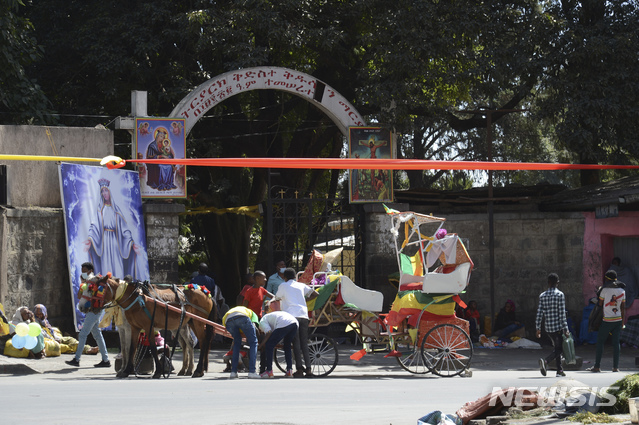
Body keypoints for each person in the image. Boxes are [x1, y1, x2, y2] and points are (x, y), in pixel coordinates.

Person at [83, 178, 143, 280]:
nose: (104, 193)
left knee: (117, 266)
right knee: (106, 268)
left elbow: (125, 229)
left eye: (106, 190)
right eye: (102, 191)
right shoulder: (99, 210)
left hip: (116, 242)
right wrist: (90, 239)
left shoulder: (116, 210)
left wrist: (131, 243)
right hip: (104, 243)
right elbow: (94, 226)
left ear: (110, 192)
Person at [275, 268, 319, 378]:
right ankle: (308, 369)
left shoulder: (283, 286)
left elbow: (277, 298)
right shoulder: (301, 285)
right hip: (303, 315)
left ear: (284, 277)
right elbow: (315, 293)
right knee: (304, 343)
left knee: (296, 343)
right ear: (295, 277)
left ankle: (299, 369)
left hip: (291, 317)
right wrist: (304, 301)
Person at [65, 262, 111, 368]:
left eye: (85, 271)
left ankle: (77, 359)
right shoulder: (88, 281)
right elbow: (80, 295)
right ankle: (106, 360)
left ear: (90, 271)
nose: (83, 273)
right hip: (94, 310)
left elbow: (84, 294)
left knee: (83, 334)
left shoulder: (93, 280)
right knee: (97, 335)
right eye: (82, 271)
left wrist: (85, 283)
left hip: (94, 311)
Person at [589, 270, 626, 373]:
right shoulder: (622, 291)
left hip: (607, 321)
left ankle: (597, 366)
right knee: (616, 343)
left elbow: (600, 305)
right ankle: (615, 367)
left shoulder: (604, 290)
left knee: (600, 342)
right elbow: (623, 308)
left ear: (607, 279)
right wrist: (622, 322)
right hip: (618, 320)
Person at [535, 273, 569, 377]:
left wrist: (538, 328)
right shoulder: (560, 295)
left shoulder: (542, 295)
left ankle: (559, 370)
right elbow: (562, 313)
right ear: (557, 283)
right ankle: (545, 361)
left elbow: (539, 313)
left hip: (548, 328)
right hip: (557, 327)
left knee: (557, 347)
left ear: (548, 283)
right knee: (560, 349)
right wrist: (566, 328)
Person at [33, 303, 99, 356]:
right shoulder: (35, 323)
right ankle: (87, 350)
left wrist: (56, 338)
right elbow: (43, 334)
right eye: (37, 314)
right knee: (67, 346)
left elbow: (50, 331)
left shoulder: (44, 321)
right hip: (47, 341)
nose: (39, 316)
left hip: (53, 337)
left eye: (41, 314)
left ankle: (88, 347)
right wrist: (54, 339)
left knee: (70, 339)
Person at [222, 306, 260, 379]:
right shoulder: (252, 313)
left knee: (236, 343)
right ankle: (252, 371)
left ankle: (233, 372)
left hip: (228, 320)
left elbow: (225, 323)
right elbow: (255, 327)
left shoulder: (233, 310)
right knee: (253, 342)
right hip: (243, 318)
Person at [258, 310, 299, 378]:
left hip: (284, 323)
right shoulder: (270, 317)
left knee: (269, 345)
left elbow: (268, 332)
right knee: (287, 345)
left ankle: (269, 371)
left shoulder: (262, 322)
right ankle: (289, 370)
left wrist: (261, 345)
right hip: (294, 323)